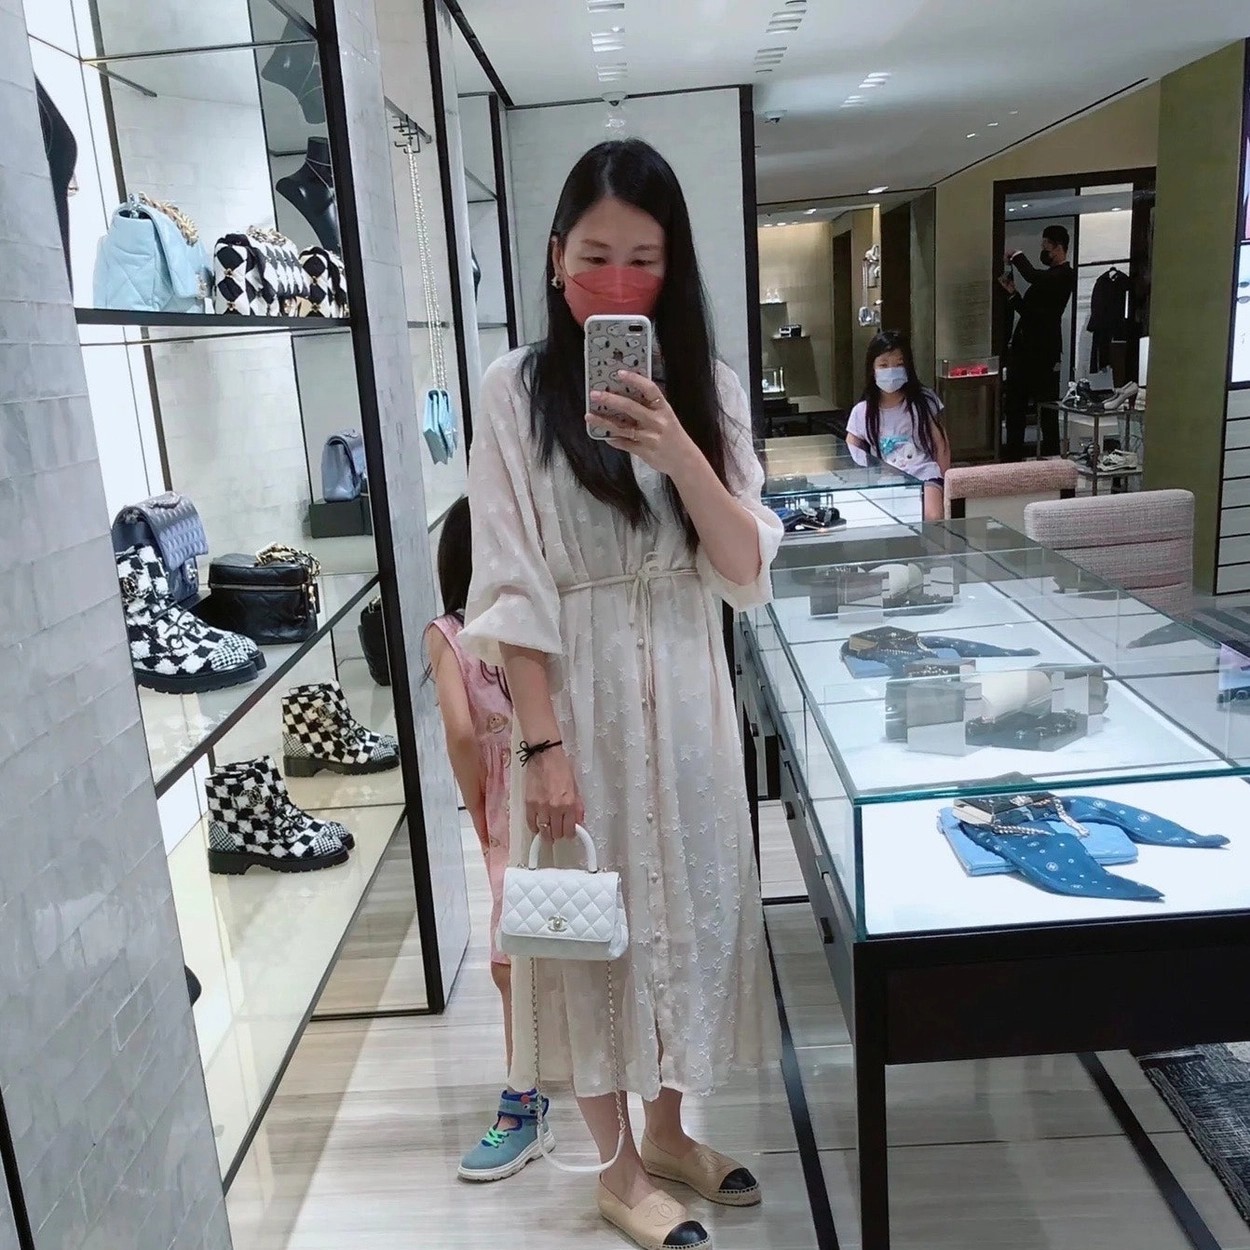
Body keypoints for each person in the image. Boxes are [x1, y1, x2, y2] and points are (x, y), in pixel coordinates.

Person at [461, 137, 780, 1250]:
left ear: (672, 266)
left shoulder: (709, 388)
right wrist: (541, 748)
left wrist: (682, 449)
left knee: (686, 913)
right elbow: (508, 581)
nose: (616, 279)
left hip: (688, 698)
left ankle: (672, 1130)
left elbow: (742, 569)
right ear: (556, 258)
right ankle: (615, 1167)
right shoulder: (513, 392)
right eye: (594, 254)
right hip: (577, 705)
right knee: (588, 932)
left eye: (642, 259)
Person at [426, 498, 551, 1184]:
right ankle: (554, 1072)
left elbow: (460, 733)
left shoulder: (447, 635)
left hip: (504, 790)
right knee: (555, 921)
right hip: (553, 770)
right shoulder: (531, 615)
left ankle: (524, 1097)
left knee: (510, 952)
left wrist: (475, 801)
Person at [845, 329, 950, 522]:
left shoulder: (924, 401)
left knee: (932, 516)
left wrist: (946, 486)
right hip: (883, 480)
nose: (891, 370)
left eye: (898, 364)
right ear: (872, 369)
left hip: (924, 475)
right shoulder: (862, 412)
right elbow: (849, 450)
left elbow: (941, 446)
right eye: (883, 365)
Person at [998, 224, 1077, 460]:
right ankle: (1013, 458)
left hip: (1043, 354)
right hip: (1024, 351)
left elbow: (1033, 275)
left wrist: (1016, 255)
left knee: (1046, 411)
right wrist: (1013, 295)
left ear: (1058, 247)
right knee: (1015, 408)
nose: (1043, 252)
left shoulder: (1063, 275)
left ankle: (1051, 458)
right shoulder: (1049, 279)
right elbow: (1031, 313)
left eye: (1046, 247)